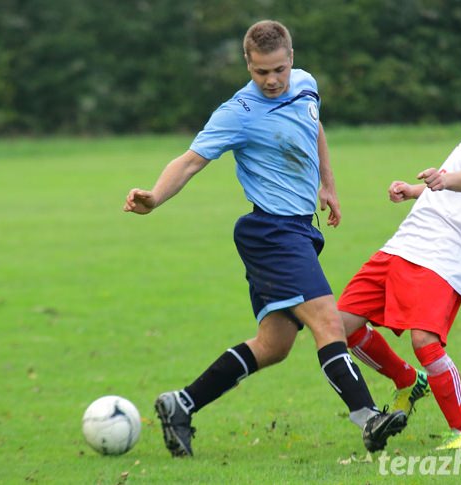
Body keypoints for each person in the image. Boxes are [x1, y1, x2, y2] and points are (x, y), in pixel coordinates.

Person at [123, 20, 406, 457]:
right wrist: (155, 197)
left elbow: (314, 128)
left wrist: (327, 184)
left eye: (278, 70)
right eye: (261, 72)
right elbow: (189, 162)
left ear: (291, 59)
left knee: (274, 345)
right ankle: (369, 417)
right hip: (271, 232)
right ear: (247, 65)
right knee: (329, 322)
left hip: (299, 229)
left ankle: (180, 404)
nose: (272, 80)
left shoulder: (306, 84)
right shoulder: (238, 112)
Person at [336, 59, 461, 450]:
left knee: (425, 339)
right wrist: (414, 189)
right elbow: (449, 180)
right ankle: (408, 380)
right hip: (408, 241)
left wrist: (444, 180)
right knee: (340, 324)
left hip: (449, 252)